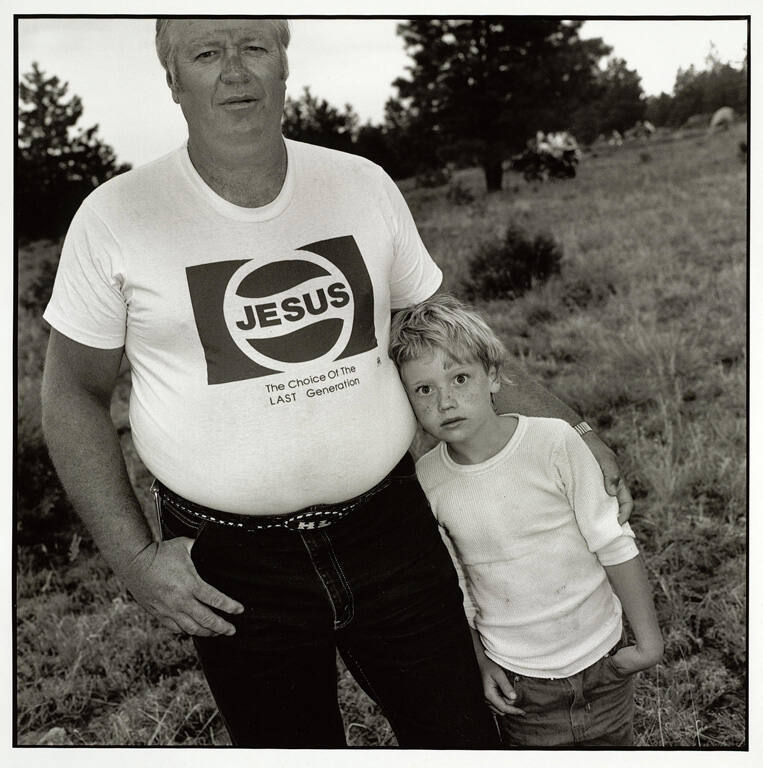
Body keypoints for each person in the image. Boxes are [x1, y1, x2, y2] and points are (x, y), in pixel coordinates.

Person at [40, 18, 631, 748]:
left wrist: (571, 429)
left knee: (463, 738)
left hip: (394, 531)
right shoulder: (116, 217)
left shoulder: (359, 185)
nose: (235, 70)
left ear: (285, 64)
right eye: (205, 52)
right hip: (228, 565)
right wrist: (134, 561)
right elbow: (71, 392)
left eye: (254, 45)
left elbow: (442, 333)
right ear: (172, 80)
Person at [389, 295, 663, 747]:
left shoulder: (553, 443)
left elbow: (613, 541)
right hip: (522, 683)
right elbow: (451, 588)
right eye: (424, 390)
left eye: (460, 378)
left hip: (604, 660)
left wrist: (648, 644)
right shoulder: (429, 481)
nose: (446, 401)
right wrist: (480, 661)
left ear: (493, 376)